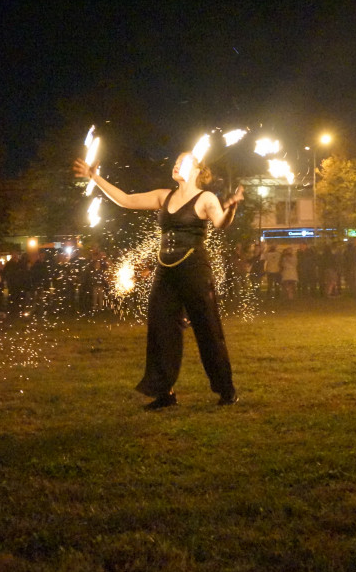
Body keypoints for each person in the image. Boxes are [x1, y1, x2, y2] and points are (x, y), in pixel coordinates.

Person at [74, 150, 244, 409]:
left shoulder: (205, 198)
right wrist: (95, 177)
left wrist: (230, 209)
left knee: (207, 329)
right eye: (175, 161)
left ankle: (226, 389)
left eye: (183, 162)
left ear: (198, 170)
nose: (176, 165)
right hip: (166, 271)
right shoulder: (164, 196)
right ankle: (165, 393)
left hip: (195, 269)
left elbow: (220, 223)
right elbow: (126, 200)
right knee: (160, 329)